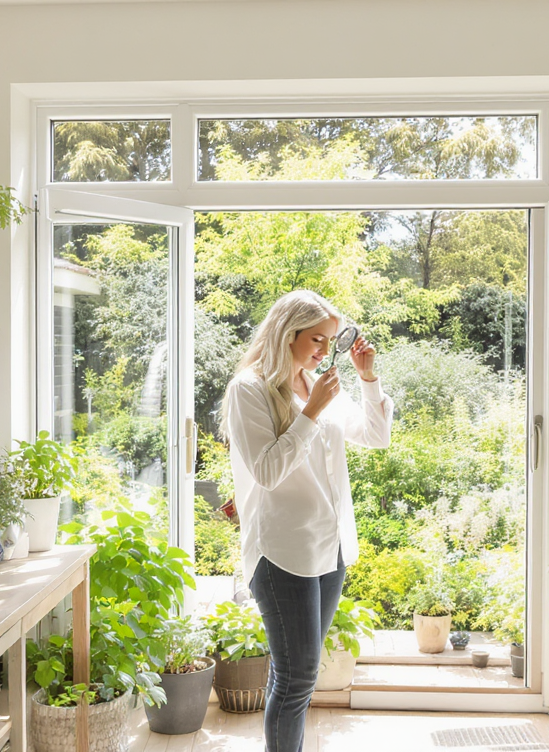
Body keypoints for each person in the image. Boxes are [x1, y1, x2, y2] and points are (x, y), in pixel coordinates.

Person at [220, 290, 393, 752]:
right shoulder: (250, 388)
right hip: (281, 551)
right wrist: (312, 410)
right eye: (317, 338)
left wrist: (367, 377)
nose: (323, 349)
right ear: (286, 332)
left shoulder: (315, 381)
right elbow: (268, 472)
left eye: (330, 340)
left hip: (328, 546)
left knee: (292, 672)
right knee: (299, 679)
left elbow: (377, 437)